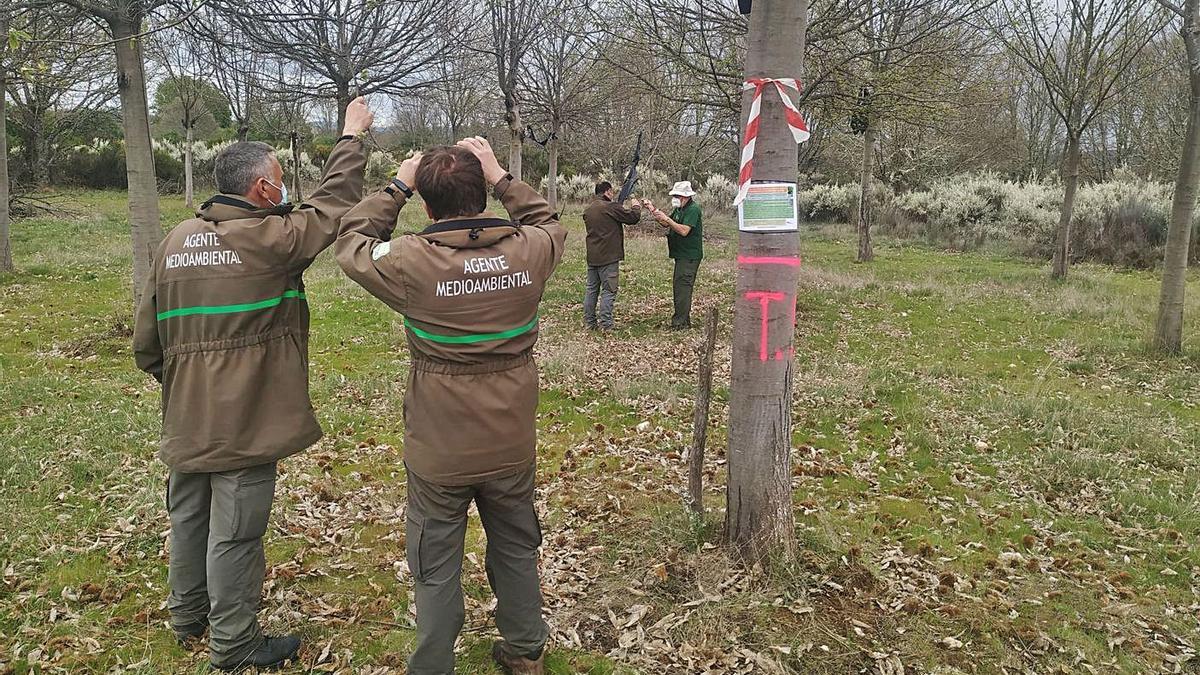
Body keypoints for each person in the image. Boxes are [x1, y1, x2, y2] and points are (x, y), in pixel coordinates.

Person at [132, 98, 374, 671]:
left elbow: (147, 342)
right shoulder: (270, 242)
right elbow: (333, 204)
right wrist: (350, 137)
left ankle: (188, 616)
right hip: (246, 415)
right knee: (236, 531)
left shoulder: (173, 242)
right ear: (262, 190)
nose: (285, 191)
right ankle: (235, 643)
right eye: (281, 181)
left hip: (186, 412)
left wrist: (184, 382)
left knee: (189, 515)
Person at [334, 137, 565, 675]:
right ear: (482, 193)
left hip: (439, 444)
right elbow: (549, 222)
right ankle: (525, 649)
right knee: (515, 546)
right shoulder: (528, 251)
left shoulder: (412, 261)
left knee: (434, 563)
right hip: (510, 438)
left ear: (426, 204)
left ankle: (434, 663)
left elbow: (352, 242)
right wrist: (502, 174)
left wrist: (397, 184)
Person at [643, 180, 703, 329]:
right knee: (680, 288)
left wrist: (668, 219)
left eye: (677, 195)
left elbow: (684, 230)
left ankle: (679, 324)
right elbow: (666, 223)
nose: (675, 198)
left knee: (682, 288)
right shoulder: (679, 209)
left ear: (685, 196)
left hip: (689, 256)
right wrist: (652, 209)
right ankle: (684, 321)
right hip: (680, 255)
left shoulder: (693, 209)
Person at [581, 181, 640, 330]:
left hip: (593, 256)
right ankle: (606, 325)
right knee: (609, 290)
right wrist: (636, 205)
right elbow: (633, 218)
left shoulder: (589, 209)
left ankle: (590, 323)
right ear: (607, 192)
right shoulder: (610, 207)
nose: (613, 194)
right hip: (608, 257)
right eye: (611, 192)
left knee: (591, 290)